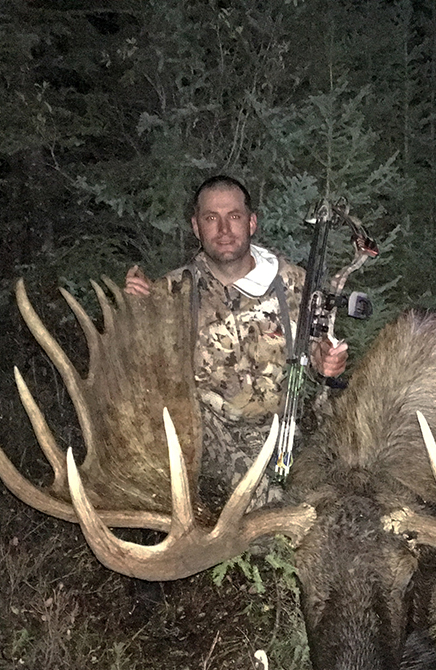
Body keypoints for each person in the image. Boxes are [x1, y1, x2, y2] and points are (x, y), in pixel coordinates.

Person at [125, 175, 346, 504]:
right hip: (210, 441)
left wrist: (327, 362)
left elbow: (317, 354)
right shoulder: (171, 292)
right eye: (211, 218)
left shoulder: (298, 283)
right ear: (196, 227)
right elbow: (144, 373)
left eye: (235, 216)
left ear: (252, 222)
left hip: (289, 434)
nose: (224, 229)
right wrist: (135, 308)